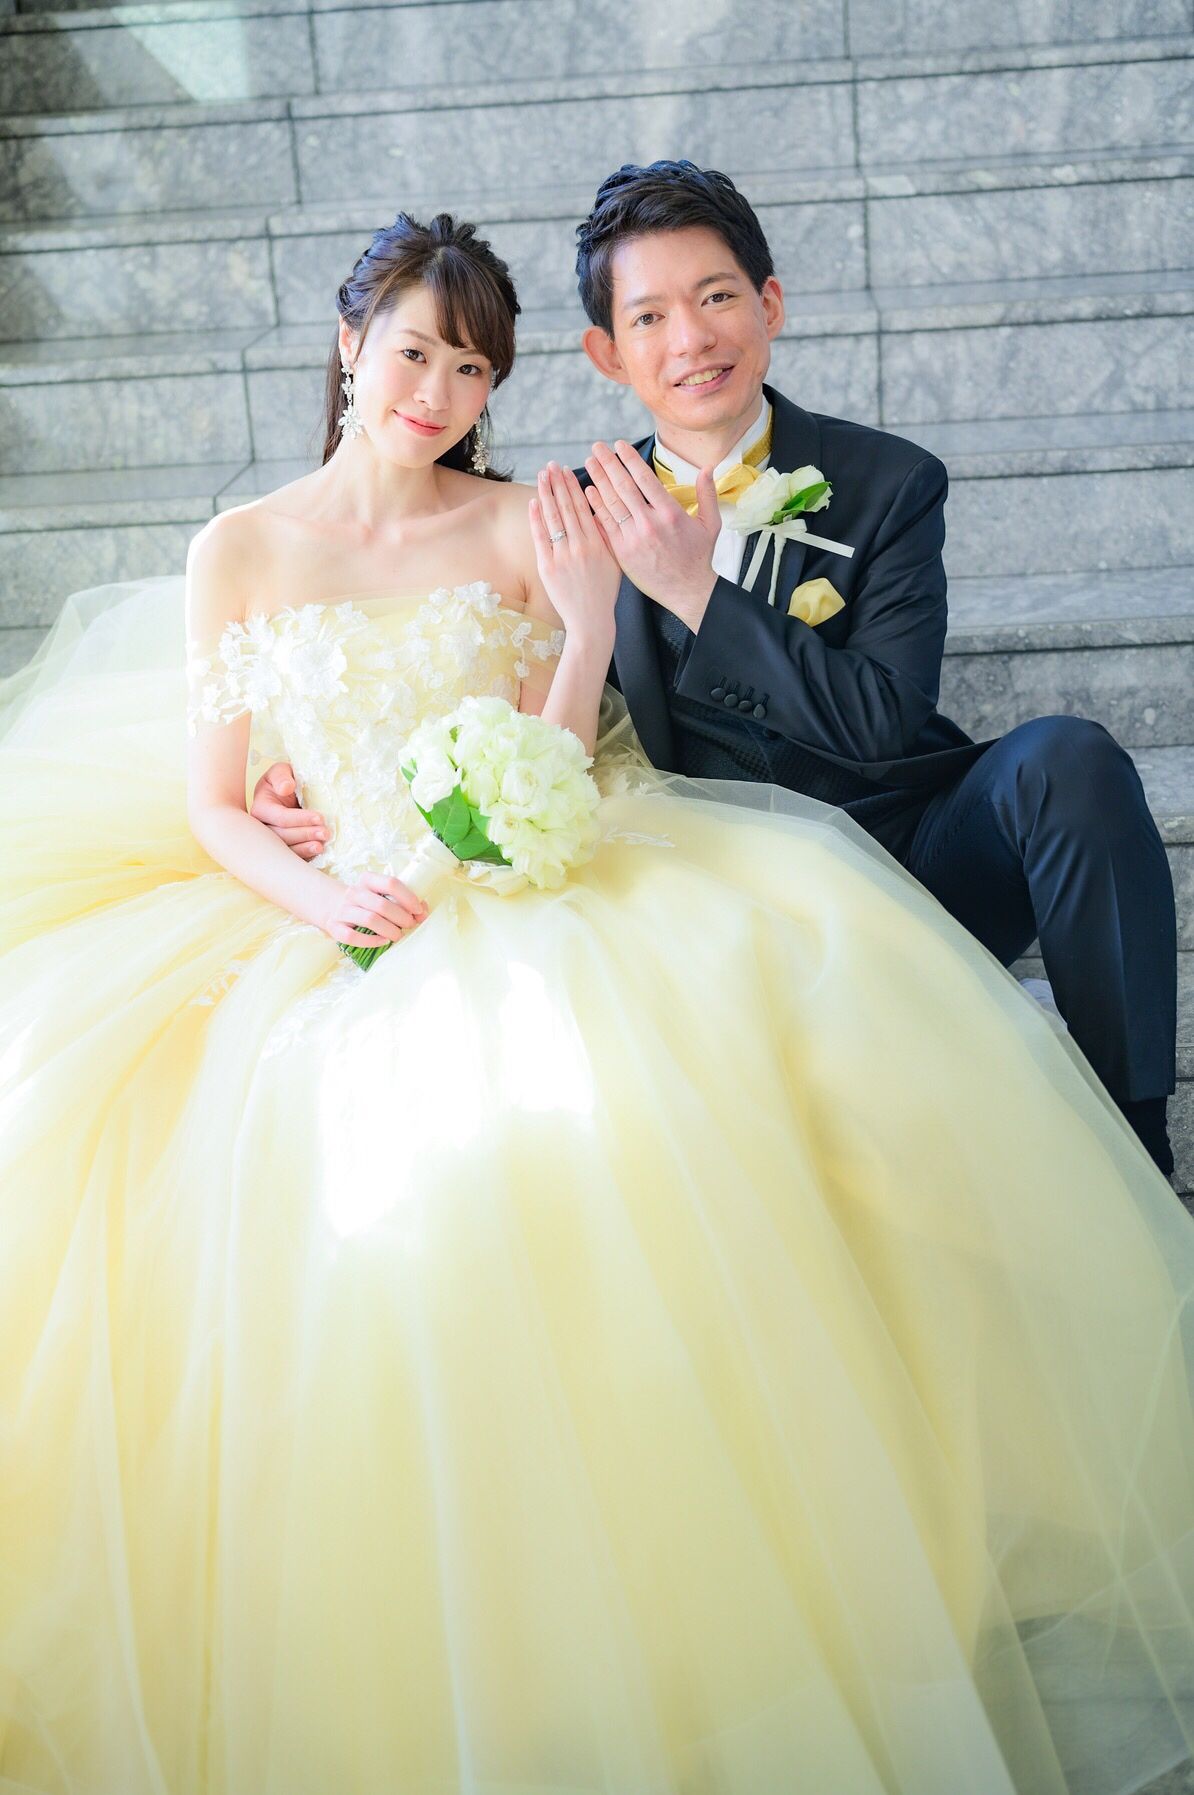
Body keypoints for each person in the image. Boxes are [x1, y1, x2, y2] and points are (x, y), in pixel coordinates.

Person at [1, 210, 1193, 1795]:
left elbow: (575, 735)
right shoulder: (255, 546)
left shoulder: (578, 513)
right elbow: (219, 796)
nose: (435, 390)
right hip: (355, 896)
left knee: (719, 1052)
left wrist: (589, 627)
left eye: (466, 367)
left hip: (626, 854)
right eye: (411, 352)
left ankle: (1092, 1196)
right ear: (350, 345)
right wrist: (315, 870)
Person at [252, 162, 1179, 1183]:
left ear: (769, 305)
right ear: (609, 354)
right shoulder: (577, 516)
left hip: (911, 858)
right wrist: (297, 771)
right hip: (712, 895)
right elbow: (506, 707)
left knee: (1069, 761)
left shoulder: (890, 482)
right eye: (649, 317)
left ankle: (1138, 1137)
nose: (691, 339)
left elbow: (885, 719)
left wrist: (698, 592)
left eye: (716, 297)